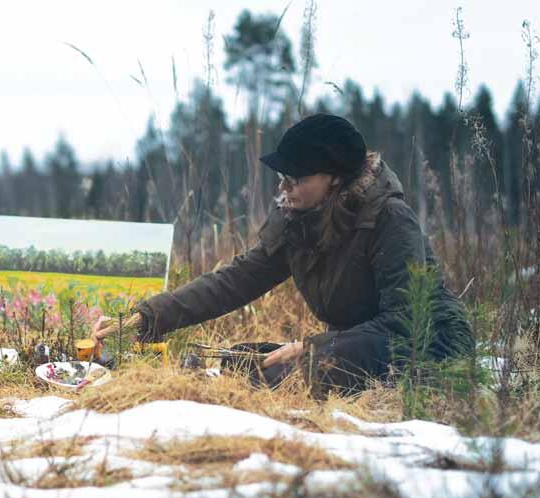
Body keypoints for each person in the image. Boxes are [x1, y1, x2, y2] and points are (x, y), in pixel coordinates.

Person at [93, 114, 473, 395]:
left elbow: (407, 322)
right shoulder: (298, 220)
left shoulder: (389, 219)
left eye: (297, 179)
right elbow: (235, 280)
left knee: (297, 370)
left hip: (425, 342)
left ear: (335, 178)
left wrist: (315, 349)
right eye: (282, 178)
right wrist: (146, 319)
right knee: (243, 362)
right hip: (356, 343)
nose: (285, 188)